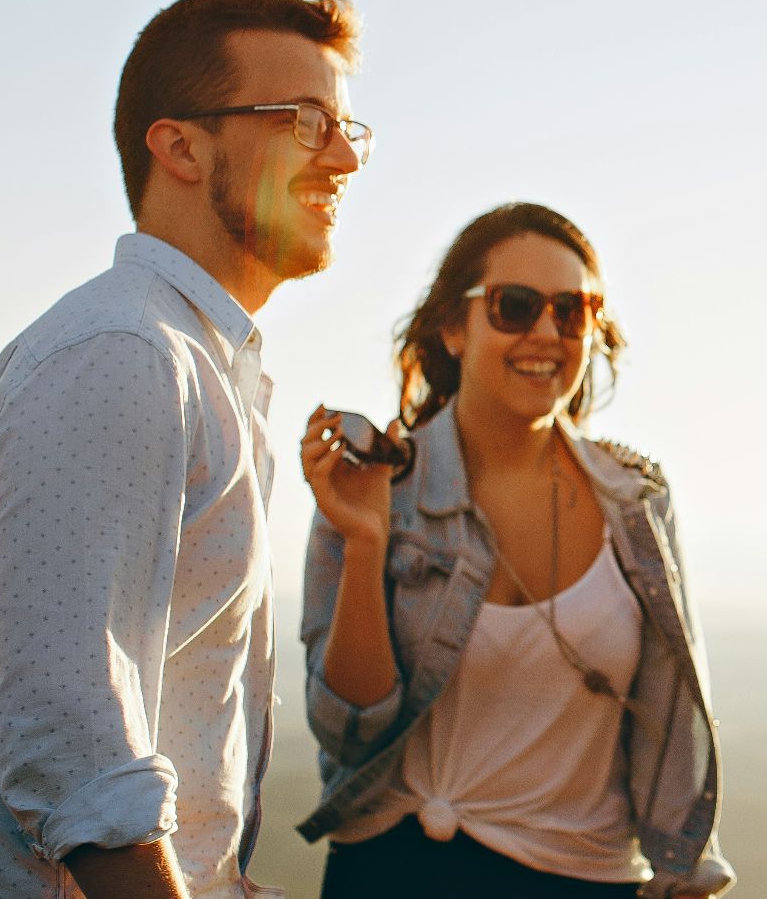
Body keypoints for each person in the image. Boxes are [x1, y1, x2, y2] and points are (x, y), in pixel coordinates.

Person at [0, 0, 368, 897]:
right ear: (181, 147)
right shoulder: (124, 353)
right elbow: (82, 763)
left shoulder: (200, 367)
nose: (345, 156)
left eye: (348, 126)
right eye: (306, 121)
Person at [296, 203, 733, 899]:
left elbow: (672, 721)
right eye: (516, 306)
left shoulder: (637, 502)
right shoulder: (377, 487)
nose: (547, 333)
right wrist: (365, 542)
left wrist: (685, 871)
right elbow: (349, 732)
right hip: (393, 872)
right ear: (453, 327)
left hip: (584, 880)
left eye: (573, 312)